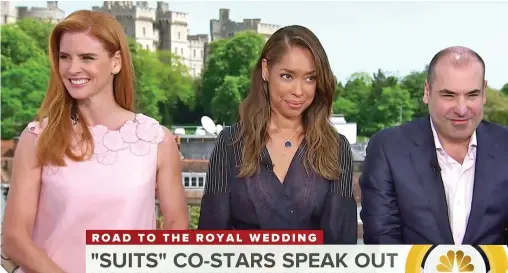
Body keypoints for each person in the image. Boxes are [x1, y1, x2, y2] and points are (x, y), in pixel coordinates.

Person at [1, 10, 188, 273]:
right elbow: (14, 237)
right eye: (65, 57)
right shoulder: (36, 139)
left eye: (87, 57)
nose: (72, 68)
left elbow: (176, 229)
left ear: (116, 62)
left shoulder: (156, 141)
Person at [197, 25, 357, 244]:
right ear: (265, 70)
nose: (299, 91)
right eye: (287, 76)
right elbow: (210, 236)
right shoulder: (230, 143)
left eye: (310, 78)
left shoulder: (336, 148)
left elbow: (341, 242)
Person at [360, 46, 508, 245]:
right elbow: (383, 243)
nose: (462, 109)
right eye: (449, 95)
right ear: (427, 92)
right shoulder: (388, 149)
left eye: (472, 95)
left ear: (484, 93)